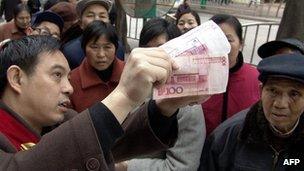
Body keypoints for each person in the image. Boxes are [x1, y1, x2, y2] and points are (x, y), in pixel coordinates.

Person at [0, 35, 209, 170]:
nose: (69, 88)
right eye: (56, 75)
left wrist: (164, 107)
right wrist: (124, 96)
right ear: (17, 78)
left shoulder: (62, 121)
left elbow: (111, 142)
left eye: (68, 78)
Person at [121, 18, 206, 171]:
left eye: (162, 50)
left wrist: (125, 166)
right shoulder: (129, 86)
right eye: (146, 49)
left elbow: (182, 167)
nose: (152, 57)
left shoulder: (186, 104)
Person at [199, 53, 304, 170]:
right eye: (273, 91)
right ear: (260, 91)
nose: (280, 104)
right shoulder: (229, 135)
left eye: (294, 94)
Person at [201, 14, 260, 135]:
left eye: (228, 40)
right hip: (202, 148)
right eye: (214, 40)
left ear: (241, 44)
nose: (221, 45)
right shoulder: (196, 76)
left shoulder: (257, 78)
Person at [69, 20, 124, 112]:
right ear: (84, 48)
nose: (101, 54)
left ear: (116, 48)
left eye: (107, 47)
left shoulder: (130, 73)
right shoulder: (72, 81)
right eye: (94, 47)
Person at [61, 0, 125, 70]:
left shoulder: (119, 48)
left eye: (102, 16)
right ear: (80, 23)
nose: (97, 20)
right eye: (90, 16)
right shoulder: (69, 52)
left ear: (109, 22)